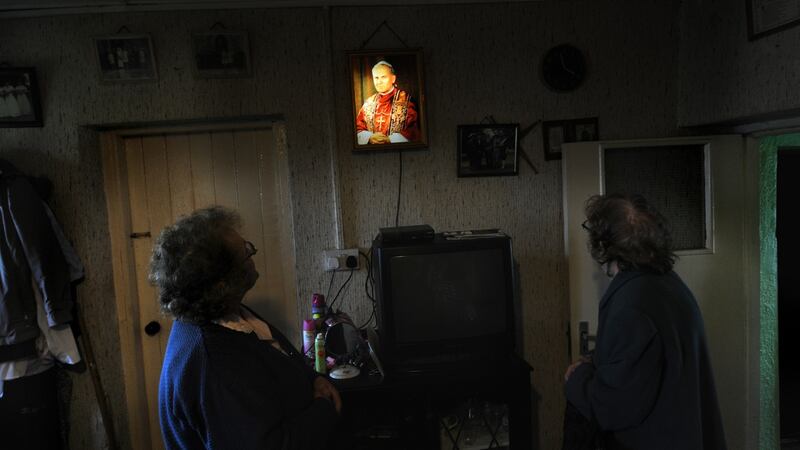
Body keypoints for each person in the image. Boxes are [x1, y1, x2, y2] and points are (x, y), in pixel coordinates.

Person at [151, 206, 341, 450]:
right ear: (220, 283)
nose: (252, 254)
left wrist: (313, 379)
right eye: (246, 253)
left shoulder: (229, 313)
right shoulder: (215, 363)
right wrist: (324, 408)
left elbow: (281, 360)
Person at [563, 194, 726, 450]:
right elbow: (646, 361)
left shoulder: (633, 305)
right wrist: (598, 360)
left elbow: (614, 408)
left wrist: (577, 378)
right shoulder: (667, 282)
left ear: (604, 244)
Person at [355, 60, 419, 145]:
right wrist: (369, 137)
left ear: (393, 79)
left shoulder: (407, 101)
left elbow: (414, 129)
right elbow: (358, 127)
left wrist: (390, 140)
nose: (379, 82)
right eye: (376, 78)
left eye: (383, 77)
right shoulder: (368, 103)